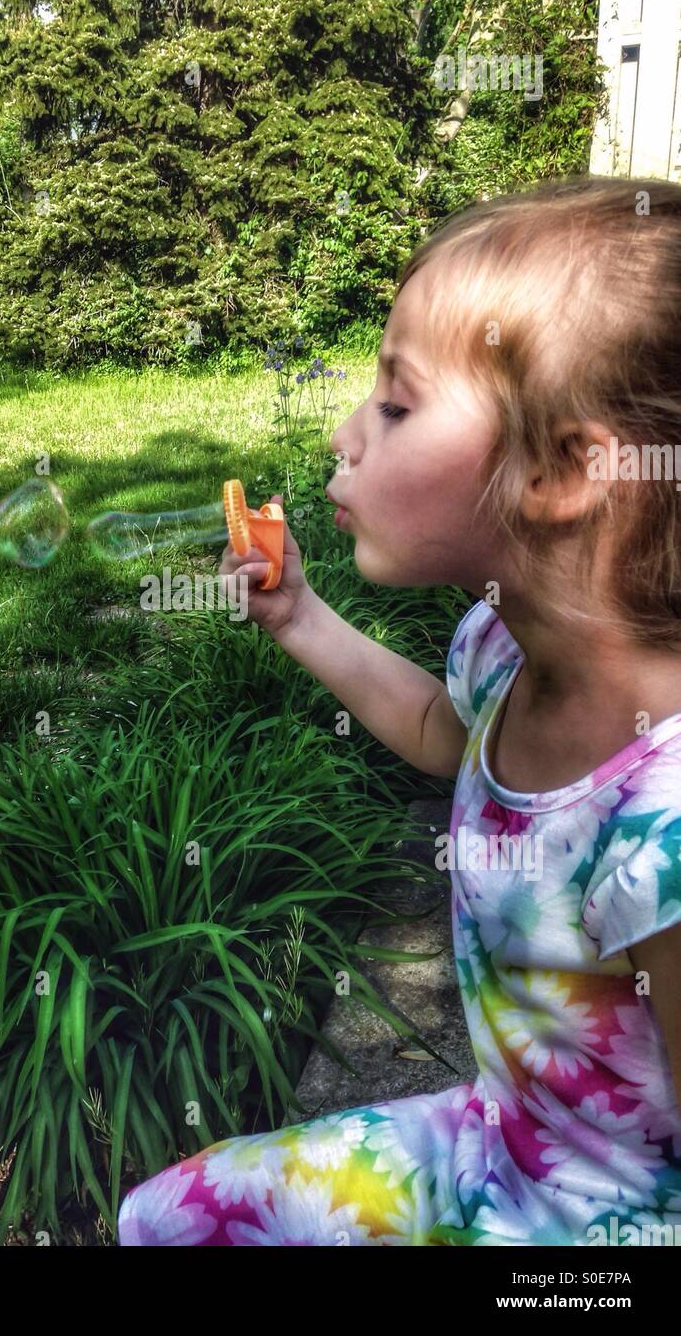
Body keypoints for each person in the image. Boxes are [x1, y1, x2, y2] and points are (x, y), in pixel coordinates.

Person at [116, 175, 681, 1246]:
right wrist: (299, 620)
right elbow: (440, 731)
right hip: (499, 1141)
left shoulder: (664, 825)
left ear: (560, 471)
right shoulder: (503, 646)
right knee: (165, 1220)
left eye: (394, 402)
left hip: (597, 1237)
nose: (343, 432)